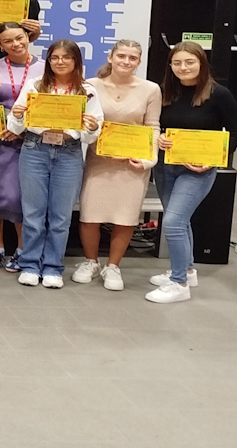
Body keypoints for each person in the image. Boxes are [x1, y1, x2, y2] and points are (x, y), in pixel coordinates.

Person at [148, 41, 237, 304]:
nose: (183, 67)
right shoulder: (164, 92)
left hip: (198, 171)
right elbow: (155, 127)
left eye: (190, 62)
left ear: (202, 63)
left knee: (173, 223)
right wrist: (159, 138)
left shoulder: (219, 94)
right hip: (166, 167)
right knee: (180, 220)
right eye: (177, 62)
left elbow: (235, 134)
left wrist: (211, 161)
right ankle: (187, 271)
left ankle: (179, 284)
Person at [7, 39, 104, 288]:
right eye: (55, 57)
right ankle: (30, 265)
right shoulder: (35, 85)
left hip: (69, 153)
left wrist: (92, 127)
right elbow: (15, 126)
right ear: (48, 61)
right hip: (35, 150)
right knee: (33, 214)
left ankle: (52, 267)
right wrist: (16, 116)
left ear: (76, 61)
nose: (60, 62)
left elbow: (92, 134)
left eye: (66, 57)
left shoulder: (87, 90)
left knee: (60, 217)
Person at [73, 40, 161, 291]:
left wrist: (148, 160)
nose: (126, 61)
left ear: (139, 62)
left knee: (126, 217)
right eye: (121, 56)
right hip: (99, 161)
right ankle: (91, 262)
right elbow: (82, 121)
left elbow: (153, 127)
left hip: (132, 164)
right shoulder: (90, 85)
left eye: (132, 58)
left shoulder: (151, 89)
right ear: (110, 57)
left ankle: (113, 266)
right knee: (90, 216)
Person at [0, 23, 42, 273]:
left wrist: (22, 129)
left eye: (19, 38)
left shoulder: (45, 68)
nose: (15, 44)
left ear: (28, 37)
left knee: (18, 196)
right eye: (8, 41)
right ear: (0, 45)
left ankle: (22, 249)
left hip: (31, 139)